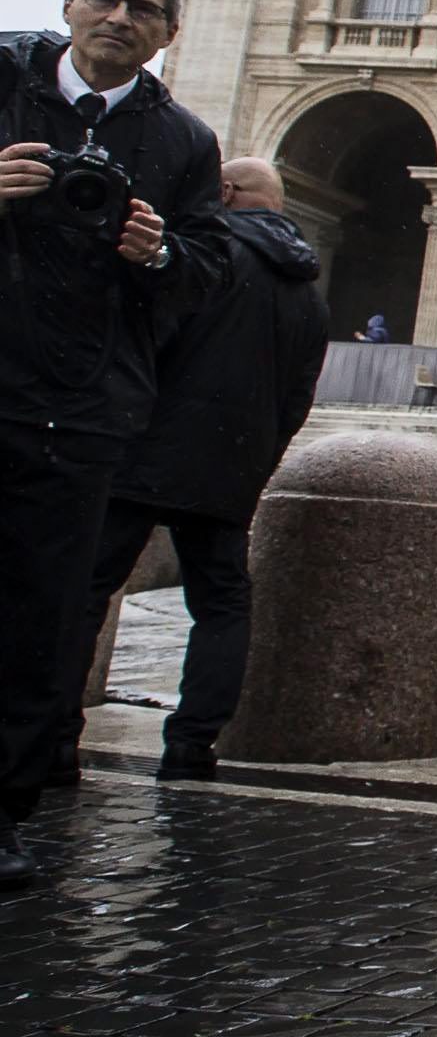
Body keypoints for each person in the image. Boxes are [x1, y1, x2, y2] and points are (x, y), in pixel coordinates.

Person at [0, 0, 229, 890]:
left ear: (170, 32)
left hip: (80, 408)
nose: (119, 19)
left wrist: (163, 251)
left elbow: (211, 271)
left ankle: (5, 807)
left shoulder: (181, 142)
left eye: (143, 9)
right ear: (70, 4)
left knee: (41, 619)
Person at [62, 158, 327, 781]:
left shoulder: (197, 257)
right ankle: (192, 744)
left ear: (226, 192)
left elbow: (140, 344)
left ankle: (51, 735)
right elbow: (296, 400)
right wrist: (258, 460)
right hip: (231, 465)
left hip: (145, 450)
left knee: (85, 590)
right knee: (222, 605)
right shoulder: (308, 292)